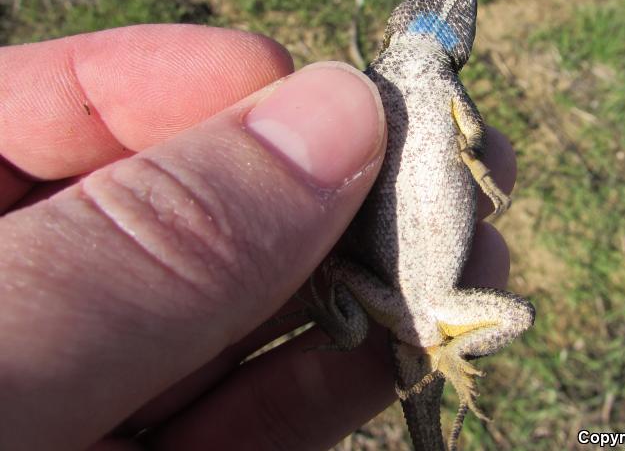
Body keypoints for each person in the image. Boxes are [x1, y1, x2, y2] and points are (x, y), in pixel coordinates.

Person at [0, 24, 516, 450]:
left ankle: (432, 349)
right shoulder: (422, 82)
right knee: (506, 315)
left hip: (406, 303)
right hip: (426, 304)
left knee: (506, 316)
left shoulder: (383, 80)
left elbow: (471, 137)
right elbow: (470, 135)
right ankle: (409, 341)